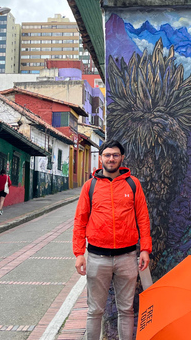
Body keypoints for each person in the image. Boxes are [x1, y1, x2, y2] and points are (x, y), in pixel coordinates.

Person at [73, 140, 152, 340]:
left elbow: (143, 217)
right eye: (107, 155)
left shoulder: (133, 184)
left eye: (115, 155)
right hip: (97, 257)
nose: (111, 159)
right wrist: (79, 254)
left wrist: (144, 249)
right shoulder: (90, 186)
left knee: (126, 309)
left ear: (122, 158)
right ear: (101, 158)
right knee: (95, 310)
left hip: (127, 256)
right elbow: (80, 220)